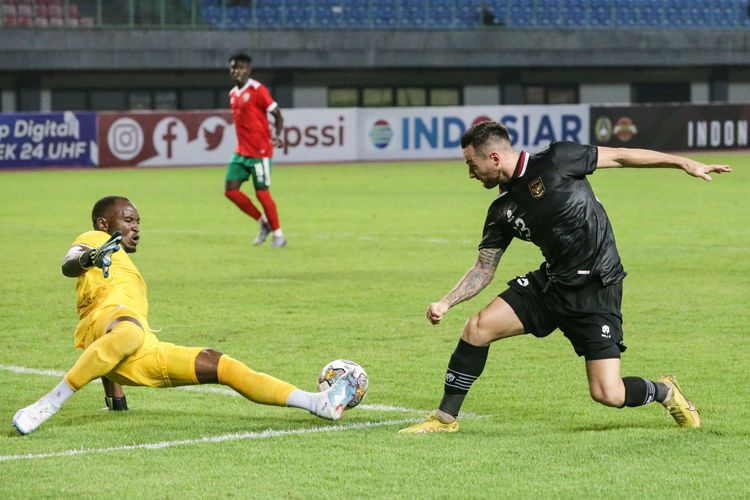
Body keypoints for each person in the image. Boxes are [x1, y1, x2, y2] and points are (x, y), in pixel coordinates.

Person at [399, 120, 731, 434]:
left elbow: (620, 155)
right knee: (477, 328)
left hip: (596, 287)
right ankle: (445, 419)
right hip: (552, 283)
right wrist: (446, 301)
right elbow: (484, 268)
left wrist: (683, 163)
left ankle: (665, 391)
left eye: (472, 165)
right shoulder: (501, 210)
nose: (470, 174)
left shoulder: (558, 159)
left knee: (608, 393)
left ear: (495, 157)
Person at [12, 196, 357, 435]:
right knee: (128, 329)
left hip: (140, 349)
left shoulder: (128, 270)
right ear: (105, 223)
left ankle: (315, 403)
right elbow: (69, 263)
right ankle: (46, 405)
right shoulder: (94, 239)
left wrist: (115, 400)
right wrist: (88, 258)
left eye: (138, 222)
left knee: (220, 363)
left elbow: (111, 351)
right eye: (128, 220)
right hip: (106, 324)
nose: (136, 227)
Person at [224, 52, 287, 248]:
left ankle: (279, 235)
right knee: (231, 191)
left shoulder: (258, 90)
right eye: (234, 67)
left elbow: (277, 113)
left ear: (248, 69)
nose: (237, 71)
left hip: (260, 152)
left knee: (262, 193)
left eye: (241, 67)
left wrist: (277, 135)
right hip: (241, 152)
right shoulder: (233, 94)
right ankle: (263, 222)